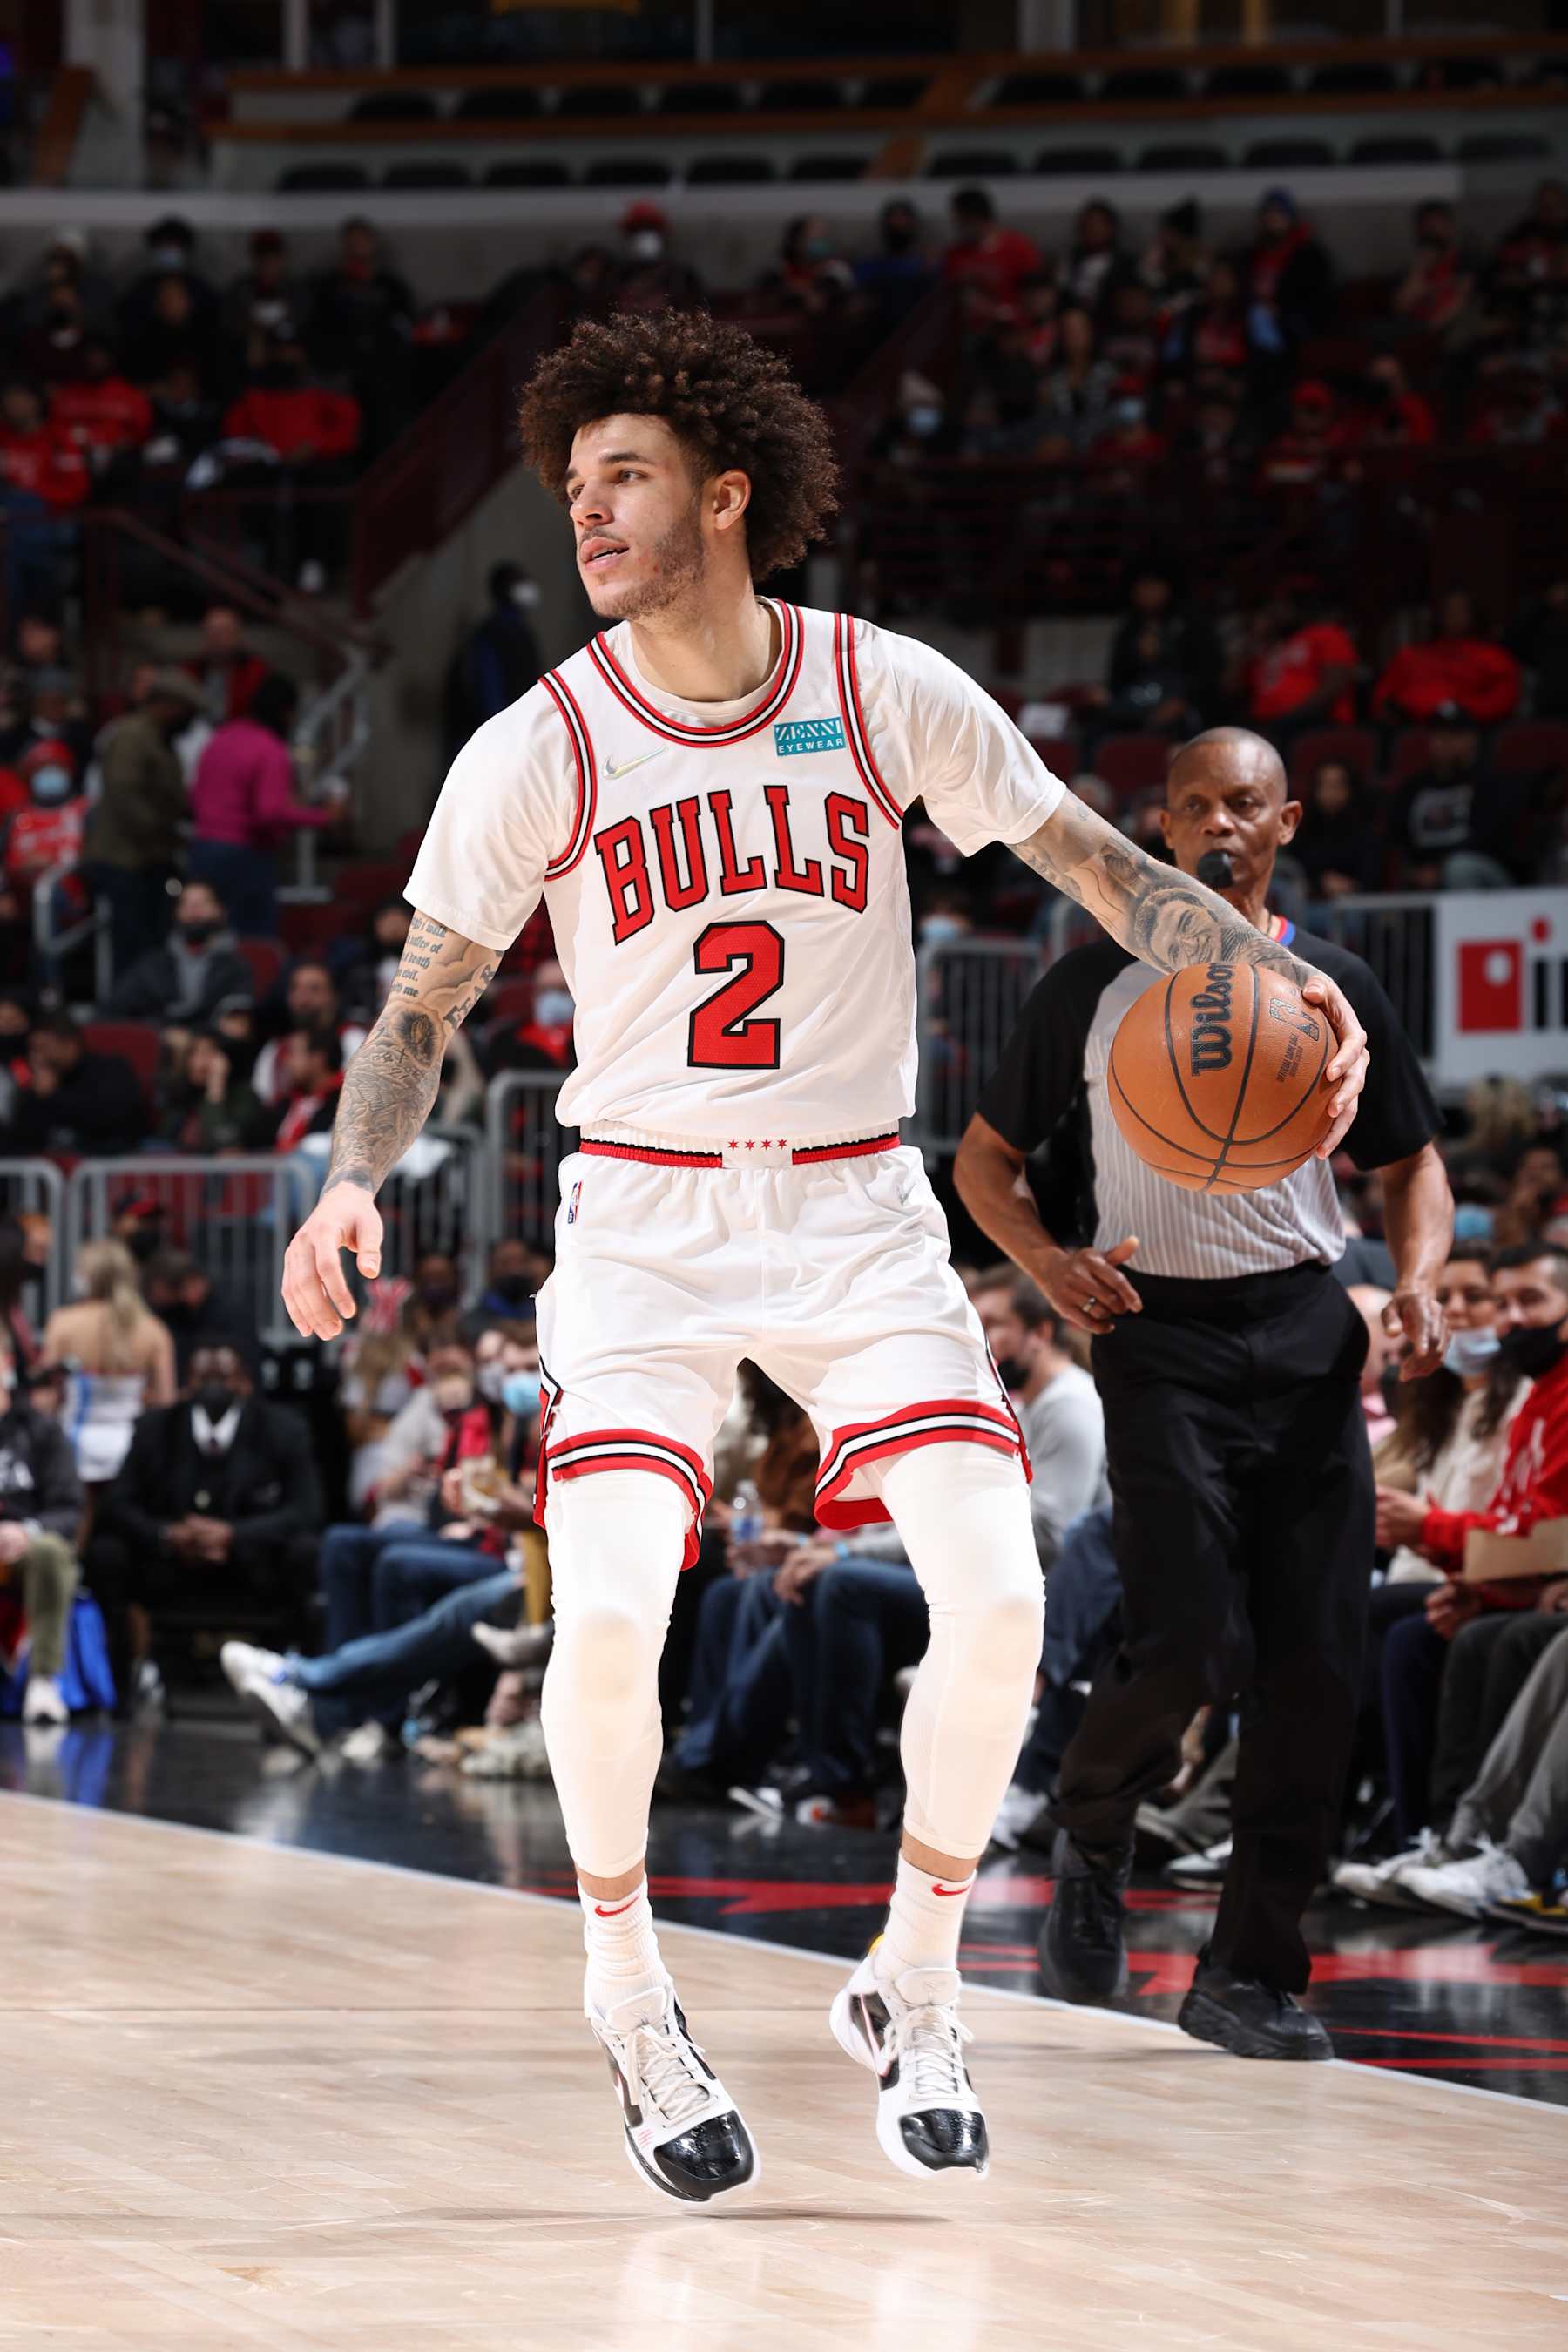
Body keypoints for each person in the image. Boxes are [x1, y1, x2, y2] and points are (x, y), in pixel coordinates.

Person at [279, 310, 1369, 2200]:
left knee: (1005, 1597)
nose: (588, 514)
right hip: (645, 1221)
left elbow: (1101, 867)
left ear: (727, 494)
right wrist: (350, 1178)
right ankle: (626, 1983)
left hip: (857, 1212)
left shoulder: (884, 691)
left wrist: (1271, 977)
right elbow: (425, 998)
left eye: (623, 478)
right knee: (611, 1612)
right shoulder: (537, 745)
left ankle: (916, 1976)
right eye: (571, 488)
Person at [955, 726, 1445, 2061]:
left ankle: (1247, 1975)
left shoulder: (1333, 981)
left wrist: (1420, 1275)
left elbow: (1411, 1164)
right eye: (1190, 806)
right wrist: (1048, 1262)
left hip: (1304, 1327)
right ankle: (1093, 1823)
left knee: (1318, 1666)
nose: (1215, 823)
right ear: (1158, 832)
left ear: (1285, 824)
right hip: (1156, 1331)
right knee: (1189, 1645)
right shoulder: (1090, 988)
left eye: (1243, 804)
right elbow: (984, 1163)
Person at [86, 1341, 321, 1698]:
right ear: (187, 1385)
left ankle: (298, 1679)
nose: (213, 1386)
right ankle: (117, 1683)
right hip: (171, 1562)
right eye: (203, 1377)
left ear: (244, 1383)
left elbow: (307, 1510)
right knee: (106, 1552)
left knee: (307, 1551)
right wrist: (167, 1534)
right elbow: (117, 1504)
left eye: (223, 1377)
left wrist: (234, 1536)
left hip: (250, 1563)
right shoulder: (156, 1428)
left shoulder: (282, 1429)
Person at [189, 672, 343, 936]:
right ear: (286, 713)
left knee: (205, 935)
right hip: (244, 856)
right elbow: (269, 812)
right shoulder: (269, 749)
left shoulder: (219, 739)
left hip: (203, 849)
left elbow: (195, 793)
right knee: (254, 941)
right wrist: (324, 817)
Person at [83, 668, 204, 978]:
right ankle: (128, 1010)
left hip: (151, 858)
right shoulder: (132, 736)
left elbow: (173, 799)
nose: (190, 720)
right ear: (166, 706)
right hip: (123, 858)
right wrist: (165, 831)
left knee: (155, 935)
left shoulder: (163, 742)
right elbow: (125, 795)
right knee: (131, 939)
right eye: (186, 711)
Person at [44, 1235, 176, 1509]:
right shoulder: (152, 1330)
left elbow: (49, 1395)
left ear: (88, 1276)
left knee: (77, 1520)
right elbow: (166, 1402)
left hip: (74, 1441)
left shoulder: (63, 1323)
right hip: (131, 1443)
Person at [0, 1336, 84, 1723]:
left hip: (23, 1551)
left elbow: (69, 1509)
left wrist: (27, 1531)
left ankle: (43, 1682)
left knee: (51, 1551)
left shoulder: (42, 1431)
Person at [1387, 707, 1524, 890]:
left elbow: (1491, 839)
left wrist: (1440, 867)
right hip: (1424, 872)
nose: (1444, 742)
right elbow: (1397, 836)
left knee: (1460, 867)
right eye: (1438, 735)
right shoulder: (1414, 787)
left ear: (1472, 739)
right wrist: (1413, 870)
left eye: (1453, 735)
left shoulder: (1490, 783)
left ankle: (1468, 920)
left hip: (1485, 874)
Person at [2, 1011, 147, 1157]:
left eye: (44, 1047)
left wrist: (53, 1096)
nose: (37, 1057)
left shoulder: (111, 1069)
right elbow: (21, 1135)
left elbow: (109, 1117)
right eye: (33, 1050)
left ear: (71, 1045)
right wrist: (34, 1095)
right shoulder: (36, 1081)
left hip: (110, 1162)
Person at [107, 876, 252, 1023]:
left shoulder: (236, 967)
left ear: (220, 910)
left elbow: (238, 1026)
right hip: (162, 1039)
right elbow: (114, 1009)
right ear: (176, 912)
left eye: (202, 903)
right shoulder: (153, 965)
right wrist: (163, 1034)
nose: (194, 911)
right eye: (186, 904)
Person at [1371, 591, 1522, 727]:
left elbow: (1503, 699)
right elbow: (1383, 697)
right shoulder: (1410, 656)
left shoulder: (1493, 657)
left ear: (1473, 615)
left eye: (1460, 611)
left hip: (1470, 729)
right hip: (1411, 729)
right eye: (1449, 610)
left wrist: (1462, 710)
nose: (1453, 616)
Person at [444, 562, 544, 762]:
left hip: (518, 734)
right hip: (499, 741)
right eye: (518, 583)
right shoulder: (491, 636)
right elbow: (489, 692)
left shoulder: (520, 633)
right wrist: (504, 737)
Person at [185, 602, 269, 727]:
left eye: (225, 632)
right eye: (212, 632)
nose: (218, 639)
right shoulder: (190, 670)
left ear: (238, 635)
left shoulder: (256, 672)